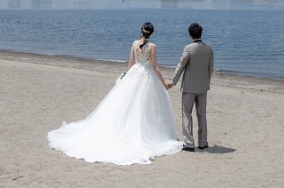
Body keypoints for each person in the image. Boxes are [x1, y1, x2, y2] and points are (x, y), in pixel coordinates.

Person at [47, 22, 183, 165]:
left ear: (141, 31)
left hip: (135, 73)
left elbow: (131, 63)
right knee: (145, 105)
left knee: (128, 102)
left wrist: (129, 77)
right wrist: (164, 82)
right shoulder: (152, 47)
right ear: (151, 33)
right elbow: (154, 66)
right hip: (147, 75)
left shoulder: (135, 43)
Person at [169, 22, 214, 152]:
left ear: (190, 34)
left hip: (189, 86)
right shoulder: (209, 48)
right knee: (202, 114)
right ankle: (203, 142)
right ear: (201, 33)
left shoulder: (188, 48)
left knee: (186, 113)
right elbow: (210, 69)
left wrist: (174, 81)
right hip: (203, 86)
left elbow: (180, 65)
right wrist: (207, 81)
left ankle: (189, 143)